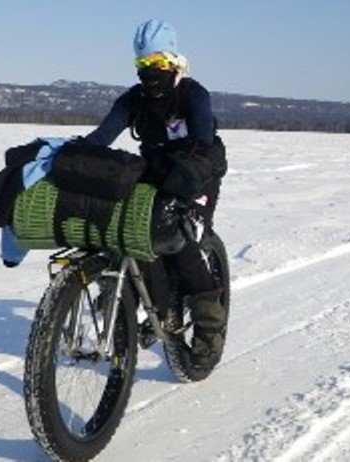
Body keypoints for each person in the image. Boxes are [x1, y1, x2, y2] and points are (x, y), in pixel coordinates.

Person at [84, 19, 228, 370]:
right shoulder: (134, 99)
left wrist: (186, 177)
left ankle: (210, 329)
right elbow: (103, 136)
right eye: (142, 65)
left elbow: (204, 138)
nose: (150, 72)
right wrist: (77, 154)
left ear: (174, 61)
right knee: (133, 232)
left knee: (182, 241)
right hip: (155, 171)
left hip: (198, 171)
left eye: (157, 63)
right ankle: (154, 304)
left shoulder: (193, 94)